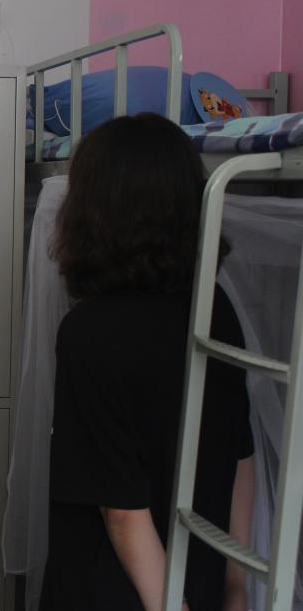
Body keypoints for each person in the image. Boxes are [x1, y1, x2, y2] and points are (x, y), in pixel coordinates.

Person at [40, 114, 255, 611]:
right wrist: (235, 587)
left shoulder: (89, 332)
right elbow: (240, 457)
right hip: (198, 569)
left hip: (121, 587)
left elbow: (122, 512)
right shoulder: (215, 308)